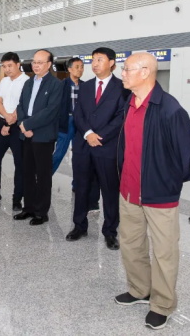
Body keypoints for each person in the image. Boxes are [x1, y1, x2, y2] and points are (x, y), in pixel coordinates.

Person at [114, 52, 190, 330]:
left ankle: (162, 304)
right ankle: (140, 290)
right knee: (131, 244)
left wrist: (167, 181)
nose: (123, 74)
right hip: (129, 190)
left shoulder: (169, 109)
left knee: (164, 252)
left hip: (158, 193)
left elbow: (186, 152)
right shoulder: (129, 103)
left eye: (127, 69)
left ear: (145, 72)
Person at [66, 48, 129, 249]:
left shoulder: (122, 87)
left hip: (107, 147)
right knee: (81, 187)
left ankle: (110, 231)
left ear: (111, 63)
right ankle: (79, 225)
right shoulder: (85, 87)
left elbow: (122, 116)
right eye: (93, 60)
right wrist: (88, 134)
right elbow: (78, 113)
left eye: (99, 60)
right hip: (84, 145)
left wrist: (99, 136)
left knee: (110, 190)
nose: (94, 64)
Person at [13, 49, 62, 225]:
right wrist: (23, 125)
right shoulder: (28, 83)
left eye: (40, 62)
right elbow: (20, 105)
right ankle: (29, 208)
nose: (36, 65)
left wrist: (28, 125)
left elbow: (51, 111)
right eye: (34, 62)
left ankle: (41, 212)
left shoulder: (56, 84)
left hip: (43, 136)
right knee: (27, 173)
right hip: (25, 134)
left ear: (49, 64)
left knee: (42, 175)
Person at [0, 52, 29, 210]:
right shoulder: (4, 81)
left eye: (10, 66)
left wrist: (10, 121)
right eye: (4, 66)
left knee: (20, 163)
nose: (7, 69)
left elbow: (23, 105)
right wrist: (6, 118)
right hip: (2, 122)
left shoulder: (26, 81)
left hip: (18, 126)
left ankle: (17, 199)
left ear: (18, 64)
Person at [51, 57, 84, 176]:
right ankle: (45, 178)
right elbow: (54, 106)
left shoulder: (86, 86)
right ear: (69, 69)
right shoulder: (61, 85)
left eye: (82, 67)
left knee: (79, 155)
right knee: (59, 153)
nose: (80, 70)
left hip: (81, 123)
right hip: (66, 122)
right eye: (77, 67)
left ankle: (77, 182)